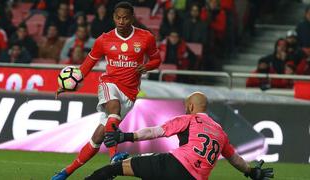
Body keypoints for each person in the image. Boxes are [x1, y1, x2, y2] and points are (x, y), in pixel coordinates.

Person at [52, 2, 161, 180]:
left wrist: (147, 66)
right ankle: (114, 157)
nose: (121, 21)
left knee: (97, 138)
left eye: (125, 18)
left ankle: (65, 172)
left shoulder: (146, 38)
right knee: (114, 110)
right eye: (118, 17)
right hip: (109, 83)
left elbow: (157, 59)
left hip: (130, 92)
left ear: (132, 18)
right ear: (113, 18)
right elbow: (87, 64)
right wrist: (67, 85)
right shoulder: (104, 40)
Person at [85, 92, 274, 180]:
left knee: (114, 168)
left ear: (191, 107)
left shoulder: (189, 119)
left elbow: (154, 132)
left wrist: (124, 137)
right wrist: (251, 172)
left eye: (186, 105)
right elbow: (235, 159)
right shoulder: (220, 132)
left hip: (174, 165)